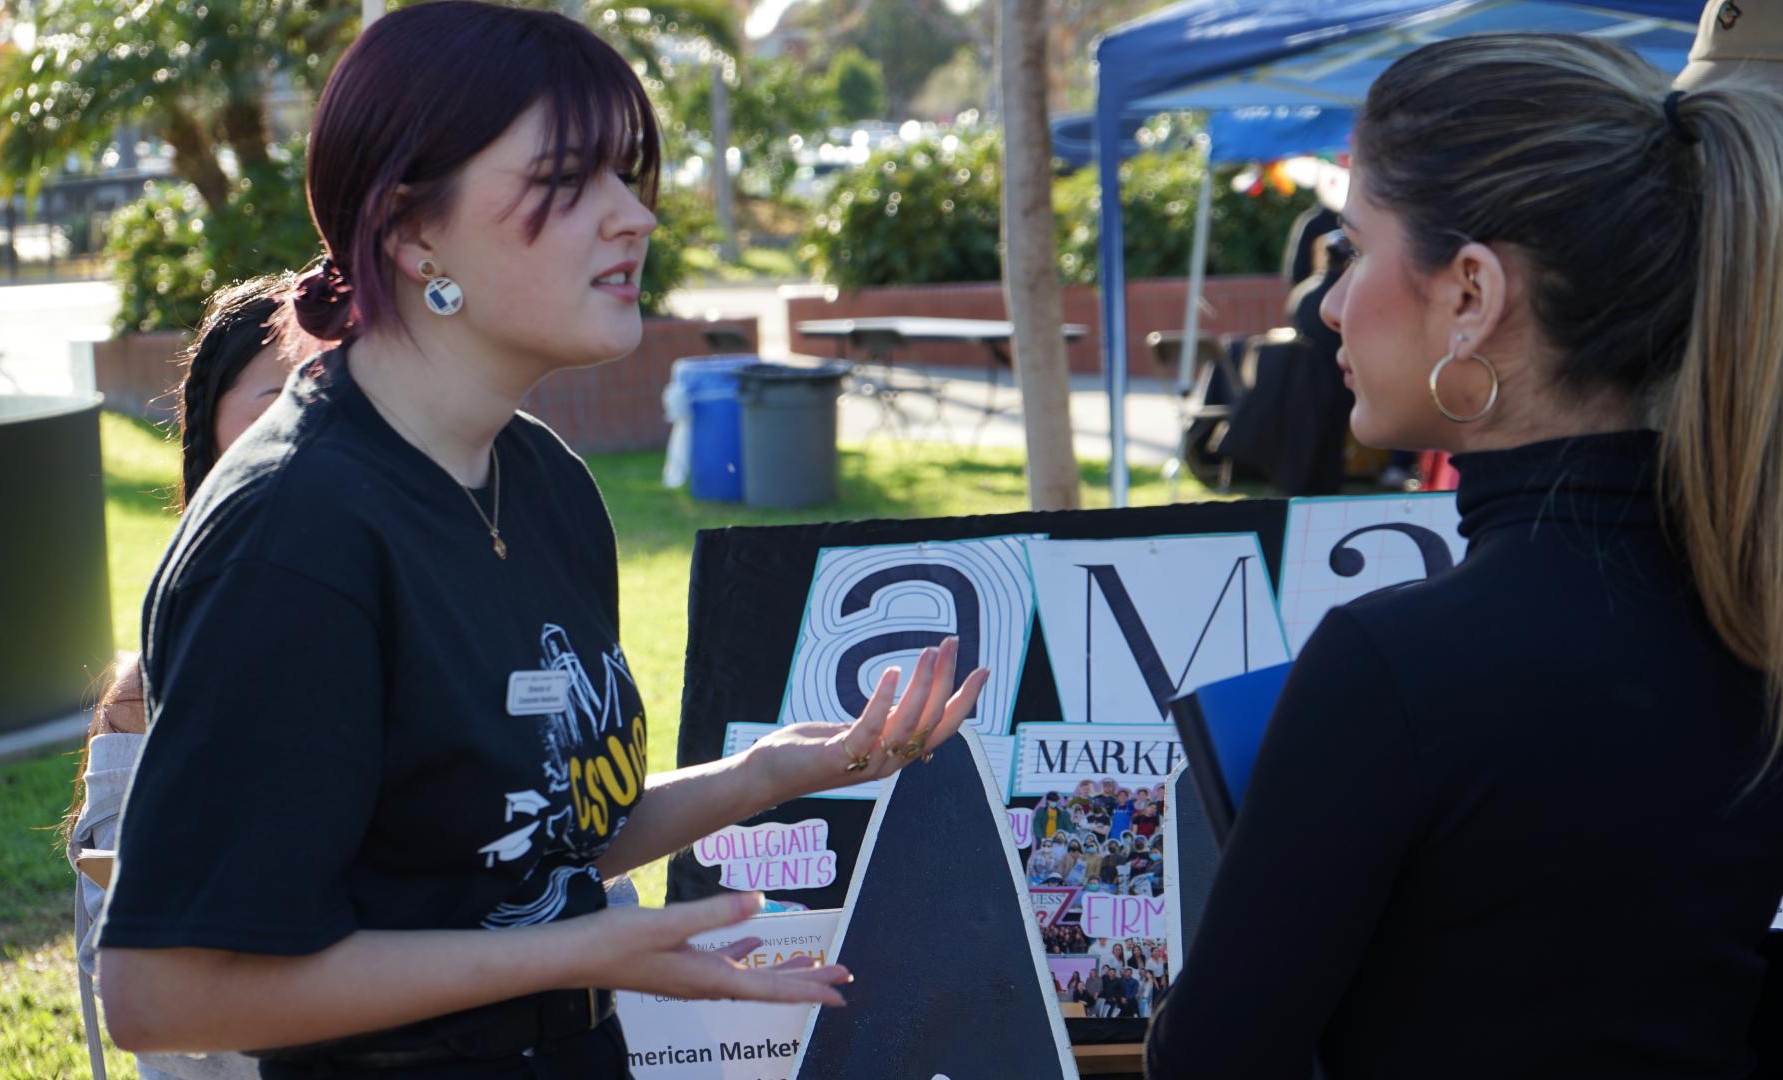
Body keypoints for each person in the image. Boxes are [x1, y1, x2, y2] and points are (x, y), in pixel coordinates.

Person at [93, 7, 989, 1075]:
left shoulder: (544, 480)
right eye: (570, 179)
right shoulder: (294, 537)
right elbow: (161, 992)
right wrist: (575, 953)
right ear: (414, 230)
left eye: (629, 174)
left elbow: (525, 849)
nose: (634, 219)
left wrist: (768, 773)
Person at [1145, 29, 1783, 1080]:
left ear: (1473, 295)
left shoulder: (1394, 669)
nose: (1331, 304)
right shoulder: (1748, 611)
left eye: (1353, 250)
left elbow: (1211, 1058)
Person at [64, 274, 310, 1080]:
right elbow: (137, 989)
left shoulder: (442, 624)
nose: (328, 423)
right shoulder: (143, 689)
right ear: (209, 425)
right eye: (288, 393)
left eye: (347, 391)